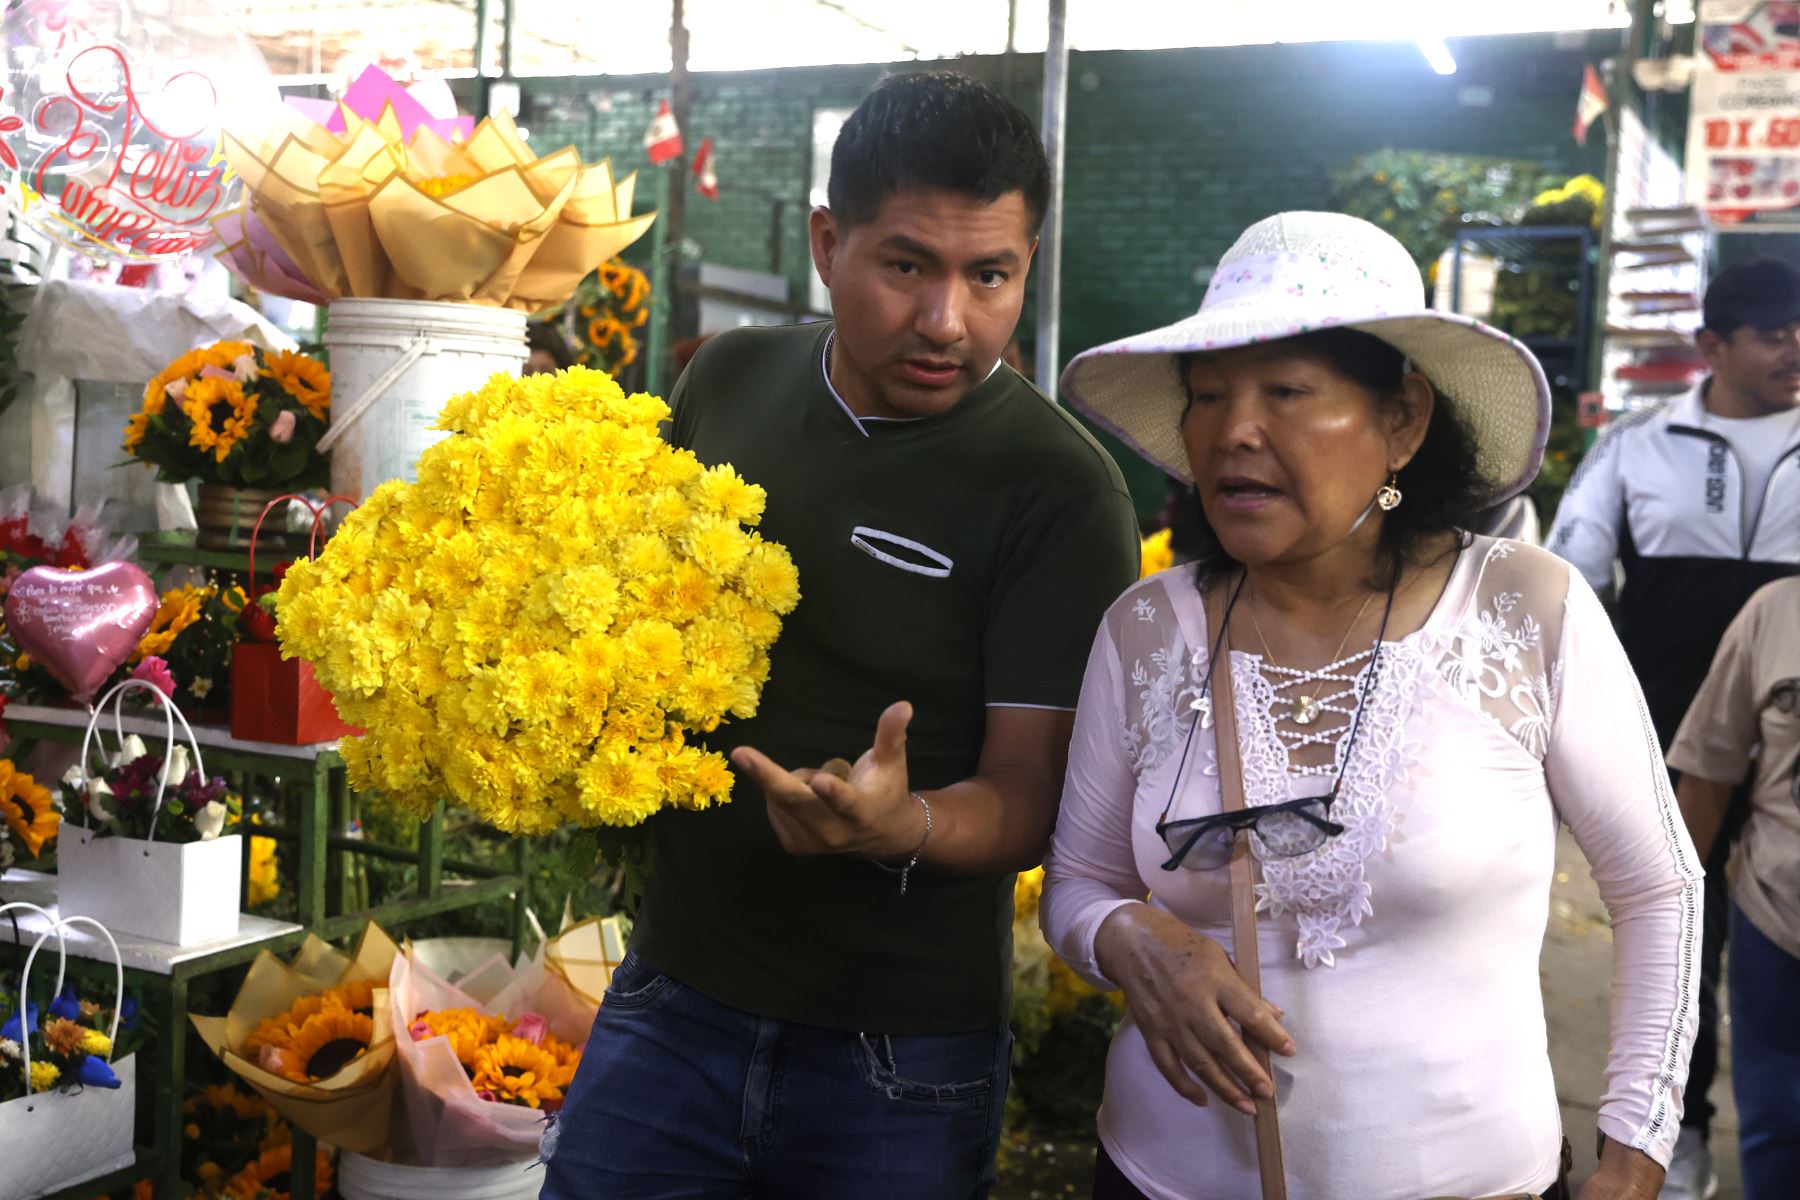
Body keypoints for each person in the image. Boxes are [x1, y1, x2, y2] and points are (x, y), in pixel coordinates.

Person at [538, 72, 1139, 1199]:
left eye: (991, 275)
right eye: (906, 264)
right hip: (671, 998)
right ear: (828, 241)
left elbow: (1028, 797)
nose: (945, 320)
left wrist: (898, 822)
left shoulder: (1062, 491)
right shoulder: (728, 382)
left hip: (898, 1059)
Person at [1044, 211, 1701, 1200]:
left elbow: (1660, 889)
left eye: (1288, 393)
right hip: (1157, 1178)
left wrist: (1635, 1148)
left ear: (1403, 421)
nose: (1235, 431)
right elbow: (1077, 885)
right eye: (1210, 397)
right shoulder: (1146, 631)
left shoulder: (1525, 608)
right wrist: (1139, 940)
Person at [1546, 256, 1800, 1200]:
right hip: (1663, 747)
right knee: (1678, 935)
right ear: (1713, 345)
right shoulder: (1637, 446)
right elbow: (1570, 580)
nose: (1794, 348)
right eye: (1773, 332)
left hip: (1787, 757)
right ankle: (1675, 1132)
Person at [1666, 577, 1800, 1199]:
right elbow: (1709, 771)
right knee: (1775, 1126)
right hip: (1776, 922)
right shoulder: (1776, 612)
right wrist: (1674, 921)